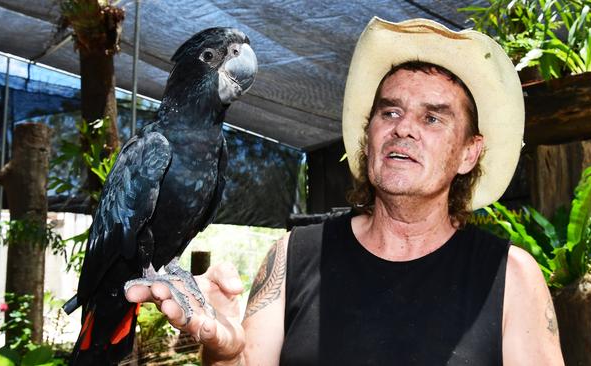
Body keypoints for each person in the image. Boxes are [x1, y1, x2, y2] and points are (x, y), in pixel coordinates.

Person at [126, 18, 565, 365]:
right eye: (389, 111)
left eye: (433, 118)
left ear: (470, 153)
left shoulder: (510, 276)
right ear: (368, 136)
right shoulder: (292, 258)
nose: (404, 128)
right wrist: (222, 351)